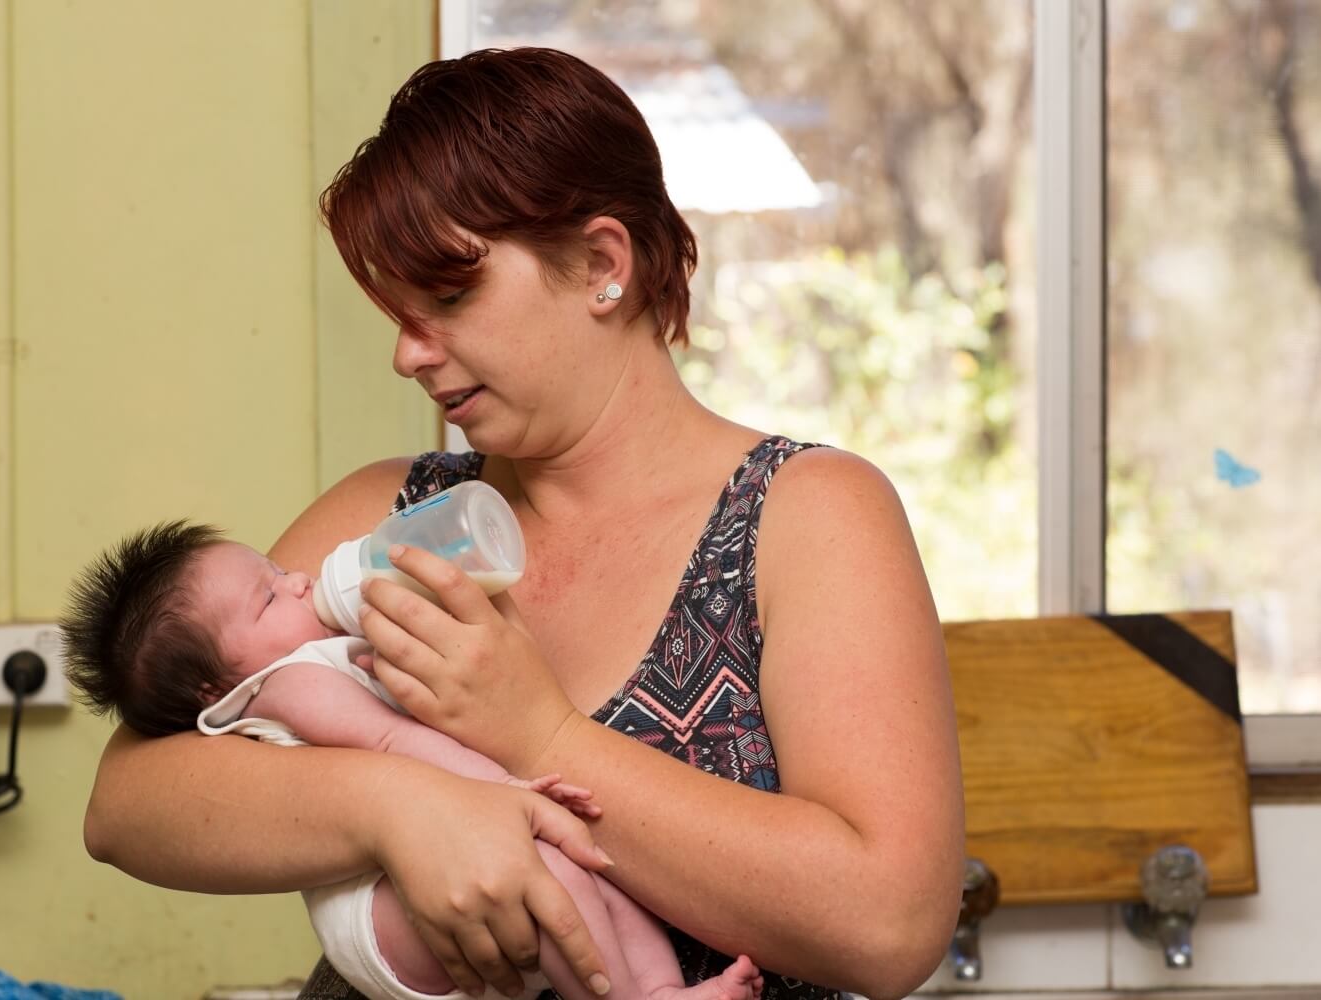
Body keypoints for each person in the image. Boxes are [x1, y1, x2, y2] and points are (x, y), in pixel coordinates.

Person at [82, 46, 964, 1000]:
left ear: (600, 264)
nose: (407, 354)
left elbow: (890, 924)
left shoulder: (808, 517)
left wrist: (541, 738)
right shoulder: (386, 511)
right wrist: (397, 805)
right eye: (397, 309)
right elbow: (126, 804)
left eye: (449, 297)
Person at [59, 520, 764, 1000]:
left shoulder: (310, 646)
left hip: (442, 855)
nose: (302, 580)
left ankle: (663, 991)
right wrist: (517, 793)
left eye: (279, 570)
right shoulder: (286, 684)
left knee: (604, 881)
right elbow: (393, 743)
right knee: (544, 871)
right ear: (219, 686)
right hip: (375, 917)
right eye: (270, 594)